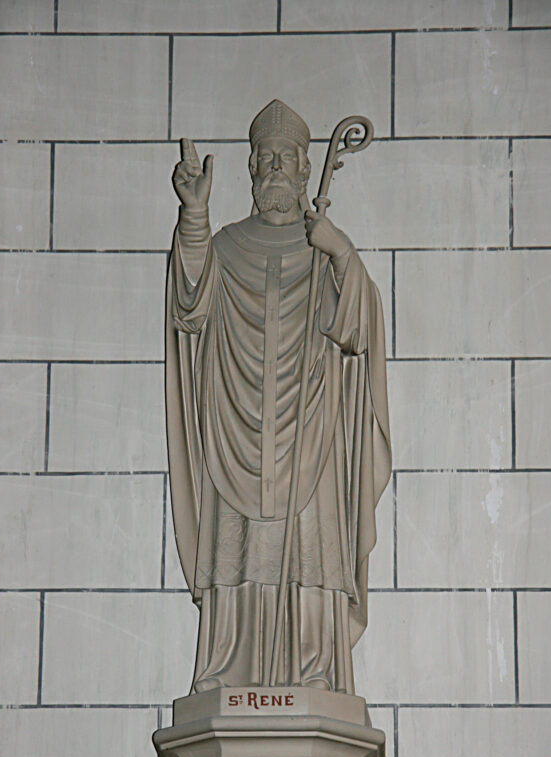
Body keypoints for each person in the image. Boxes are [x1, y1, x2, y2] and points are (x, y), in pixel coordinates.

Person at [166, 99, 390, 693]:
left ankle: (313, 672)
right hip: (233, 433)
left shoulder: (325, 252)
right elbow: (190, 307)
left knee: (312, 551)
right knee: (239, 549)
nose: (273, 171)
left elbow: (358, 328)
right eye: (262, 160)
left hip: (310, 437)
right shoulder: (227, 245)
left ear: (303, 167)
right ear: (249, 170)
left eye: (285, 161)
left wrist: (341, 252)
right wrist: (194, 216)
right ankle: (228, 672)